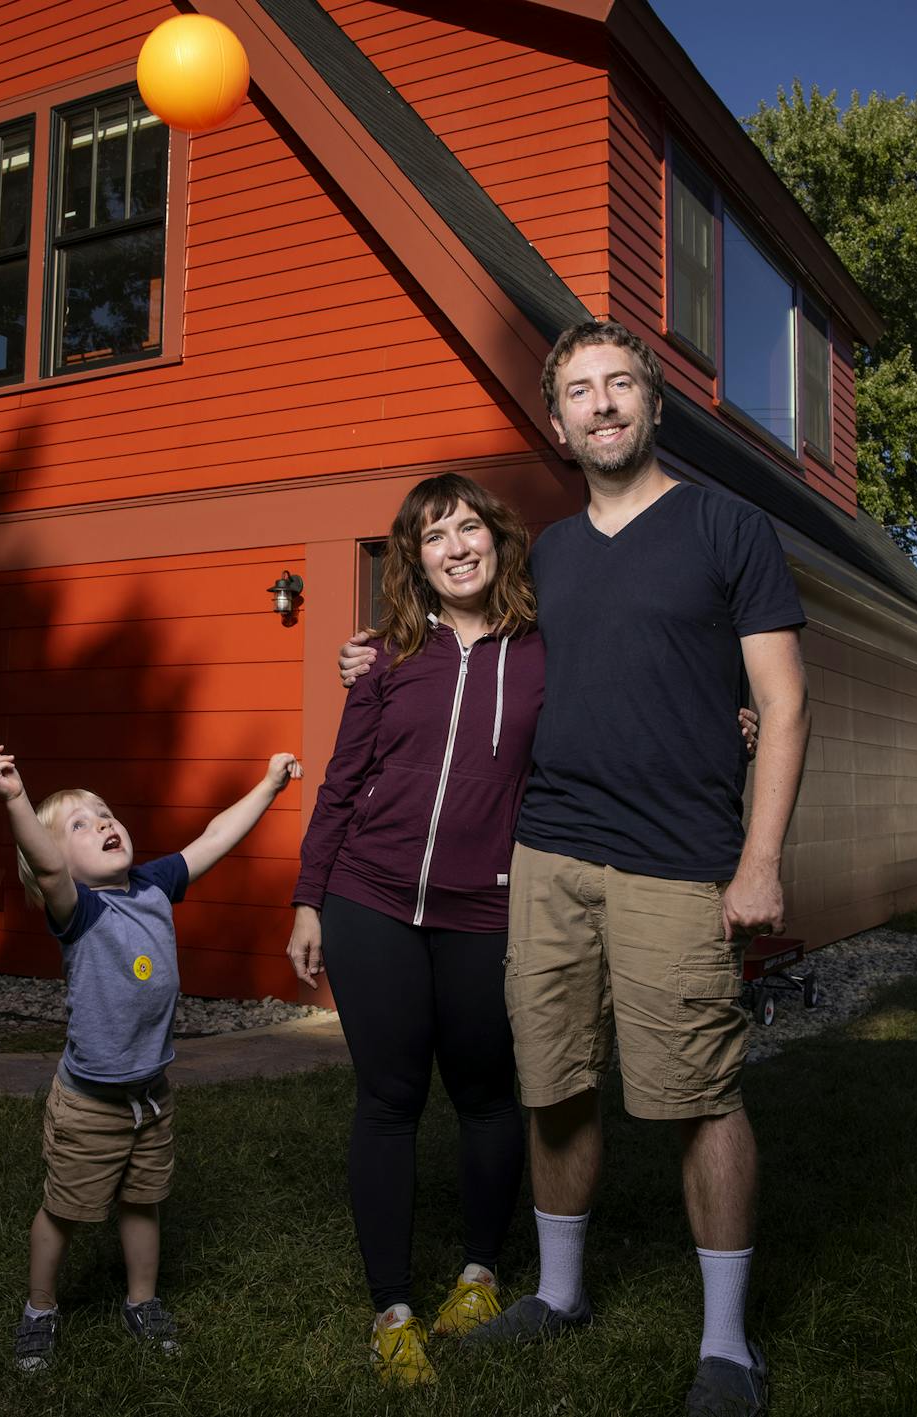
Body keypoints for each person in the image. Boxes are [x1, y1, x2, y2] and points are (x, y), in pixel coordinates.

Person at [342, 320, 809, 1417]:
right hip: (542, 857)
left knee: (699, 1097)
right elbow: (460, 635)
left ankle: (727, 1345)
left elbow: (780, 702)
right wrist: (368, 654)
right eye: (578, 393)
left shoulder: (724, 526)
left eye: (619, 386)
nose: (601, 405)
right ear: (554, 425)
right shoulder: (541, 554)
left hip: (677, 859)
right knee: (550, 1082)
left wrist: (758, 859)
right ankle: (556, 1295)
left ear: (653, 405)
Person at [287, 473, 545, 1387]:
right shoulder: (388, 654)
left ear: (497, 538)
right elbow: (341, 779)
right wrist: (310, 897)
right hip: (371, 900)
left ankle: (480, 1272)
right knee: (388, 1100)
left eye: (469, 526)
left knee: (485, 1092)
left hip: (488, 910)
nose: (457, 547)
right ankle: (392, 1310)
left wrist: (732, 718)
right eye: (436, 536)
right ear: (416, 559)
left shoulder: (545, 651)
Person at [0, 743, 301, 1371]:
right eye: (80, 824)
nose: (103, 822)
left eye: (104, 813)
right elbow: (47, 870)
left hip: (150, 1096)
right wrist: (17, 798)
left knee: (143, 1200)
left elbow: (214, 837)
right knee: (64, 1210)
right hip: (91, 1103)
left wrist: (267, 786)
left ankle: (142, 1301)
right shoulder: (78, 908)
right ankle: (39, 1309)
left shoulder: (153, 885)